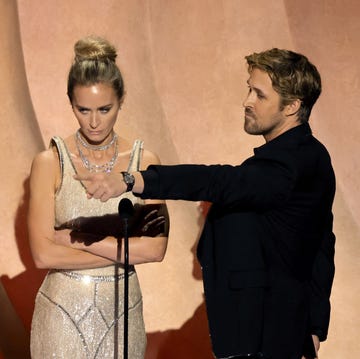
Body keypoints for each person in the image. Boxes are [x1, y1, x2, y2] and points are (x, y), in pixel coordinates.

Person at [75, 48, 336, 359]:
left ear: (292, 106)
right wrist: (316, 324)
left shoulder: (289, 164)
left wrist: (134, 180)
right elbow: (321, 243)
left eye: (259, 95)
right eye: (249, 88)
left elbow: (219, 182)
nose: (247, 101)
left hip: (263, 335)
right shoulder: (309, 155)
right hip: (273, 329)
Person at [27, 36, 169, 359]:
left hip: (123, 311)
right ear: (70, 103)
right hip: (60, 315)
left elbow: (156, 248)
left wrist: (78, 239)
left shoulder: (144, 162)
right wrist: (128, 250)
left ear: (121, 100)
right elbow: (42, 255)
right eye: (83, 109)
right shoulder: (50, 162)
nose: (94, 122)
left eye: (105, 109)